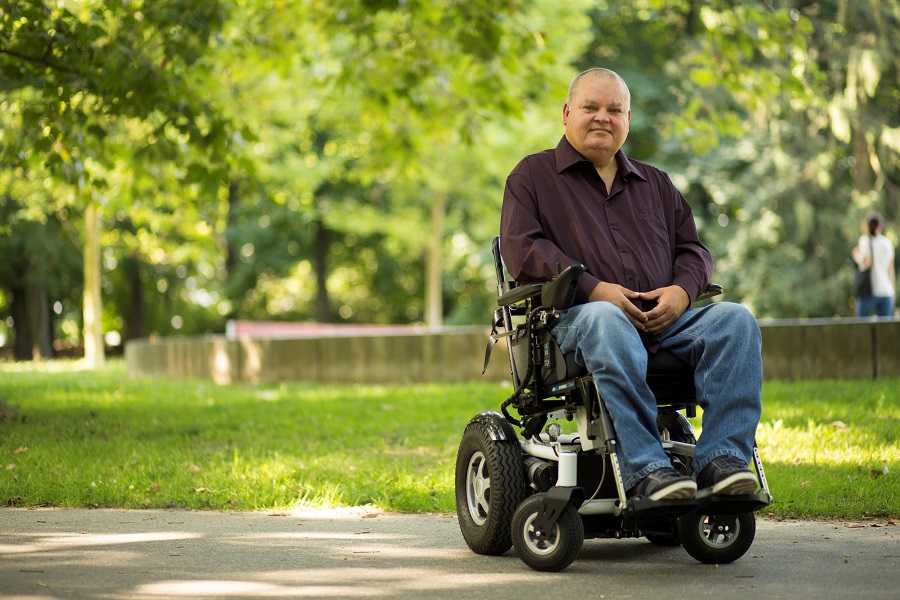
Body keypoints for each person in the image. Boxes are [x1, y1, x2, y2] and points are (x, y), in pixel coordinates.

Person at [500, 68, 761, 502]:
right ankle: (648, 469)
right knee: (606, 318)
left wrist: (681, 292)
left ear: (627, 119)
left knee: (736, 321)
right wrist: (593, 288)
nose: (602, 117)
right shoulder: (533, 177)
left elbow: (693, 251)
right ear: (567, 114)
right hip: (574, 325)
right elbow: (522, 251)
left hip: (664, 325)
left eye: (614, 109)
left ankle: (722, 462)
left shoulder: (655, 183)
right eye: (590, 107)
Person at [852, 213, 896, 317]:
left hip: (870, 291)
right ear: (880, 226)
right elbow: (890, 269)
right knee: (885, 329)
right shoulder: (887, 243)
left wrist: (856, 256)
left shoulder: (865, 240)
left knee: (861, 327)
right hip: (886, 291)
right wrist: (893, 291)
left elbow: (866, 264)